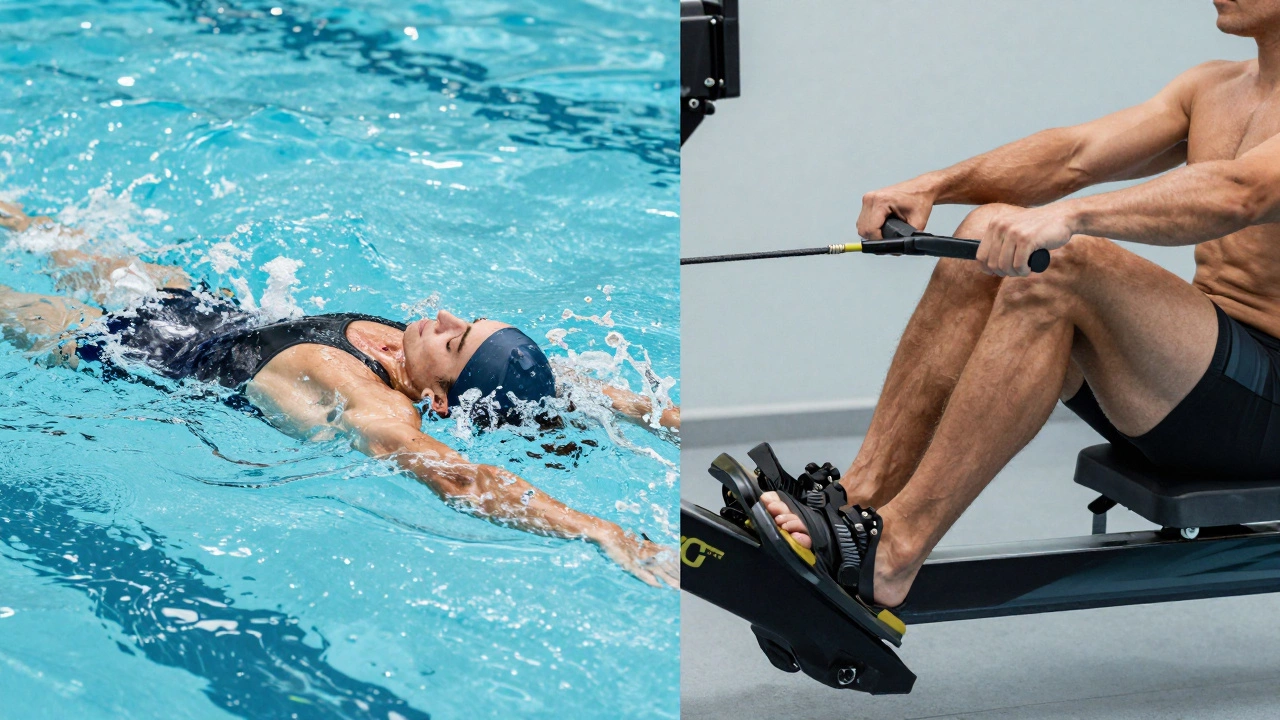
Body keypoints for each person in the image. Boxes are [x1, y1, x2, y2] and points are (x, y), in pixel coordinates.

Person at [759, 0, 1280, 610]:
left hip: (1267, 407)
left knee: (1064, 259)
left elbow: (1243, 192)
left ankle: (895, 552)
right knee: (986, 231)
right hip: (1202, 389)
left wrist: (1071, 216)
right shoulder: (1213, 87)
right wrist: (937, 185)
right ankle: (860, 494)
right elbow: (1073, 155)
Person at [0, 202, 678, 588]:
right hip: (207, 309)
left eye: (453, 341)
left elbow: (465, 481)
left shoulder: (376, 405)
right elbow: (581, 388)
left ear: (440, 400)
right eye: (461, 324)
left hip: (140, 352)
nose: (441, 320)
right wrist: (673, 418)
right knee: (46, 232)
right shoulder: (417, 351)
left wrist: (599, 530)